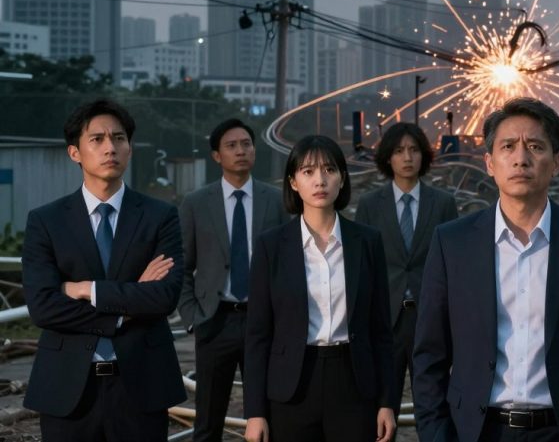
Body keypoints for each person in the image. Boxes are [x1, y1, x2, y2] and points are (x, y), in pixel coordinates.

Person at [413, 97, 559, 442]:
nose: (521, 158)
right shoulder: (452, 243)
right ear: (489, 162)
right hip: (477, 431)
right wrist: (437, 434)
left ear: (557, 162)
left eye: (535, 146)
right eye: (508, 147)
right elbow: (429, 355)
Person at [22, 98, 187, 441]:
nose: (110, 147)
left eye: (119, 138)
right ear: (75, 152)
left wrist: (87, 289)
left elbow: (164, 297)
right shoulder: (46, 221)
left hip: (142, 385)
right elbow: (43, 306)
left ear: (130, 148)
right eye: (97, 139)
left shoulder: (160, 216)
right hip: (67, 389)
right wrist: (125, 309)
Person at [243, 135, 397, 442]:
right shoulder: (271, 246)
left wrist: (387, 402)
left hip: (354, 382)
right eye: (308, 171)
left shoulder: (367, 242)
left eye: (329, 169)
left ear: (342, 178)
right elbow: (258, 335)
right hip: (292, 385)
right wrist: (255, 412)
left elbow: (381, 331)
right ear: (293, 182)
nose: (320, 180)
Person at [177, 118, 290, 441]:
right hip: (215, 321)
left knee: (267, 416)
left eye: (246, 144)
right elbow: (181, 266)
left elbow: (289, 263)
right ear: (217, 156)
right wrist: (193, 318)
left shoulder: (276, 200)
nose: (241, 151)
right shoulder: (196, 203)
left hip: (263, 321)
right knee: (208, 421)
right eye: (231, 146)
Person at [355, 122, 458, 412]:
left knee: (433, 403)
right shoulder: (370, 205)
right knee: (381, 405)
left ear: (424, 155)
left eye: (414, 150)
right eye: (399, 151)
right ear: (388, 157)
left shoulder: (443, 203)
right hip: (386, 318)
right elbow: (362, 267)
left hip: (430, 317)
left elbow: (454, 265)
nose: (407, 157)